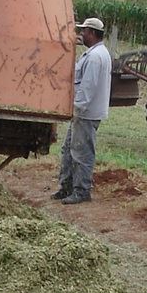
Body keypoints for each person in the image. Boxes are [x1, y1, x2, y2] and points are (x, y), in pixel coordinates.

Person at [53, 17, 112, 205]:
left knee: (82, 153)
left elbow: (87, 88)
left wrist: (76, 108)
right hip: (84, 113)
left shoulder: (95, 57)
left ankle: (81, 191)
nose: (82, 34)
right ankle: (67, 187)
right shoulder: (96, 53)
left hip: (85, 113)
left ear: (93, 33)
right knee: (69, 150)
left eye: (84, 31)